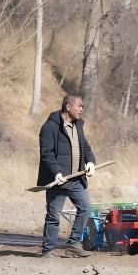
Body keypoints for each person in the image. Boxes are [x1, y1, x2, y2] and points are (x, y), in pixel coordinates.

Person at [37, 93, 97, 258]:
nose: (82, 110)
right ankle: (47, 250)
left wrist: (91, 162)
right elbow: (46, 154)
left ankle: (73, 245)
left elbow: (86, 147)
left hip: (77, 178)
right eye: (80, 106)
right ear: (68, 107)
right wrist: (56, 172)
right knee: (54, 214)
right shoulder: (50, 127)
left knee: (85, 208)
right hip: (59, 180)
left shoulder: (78, 125)